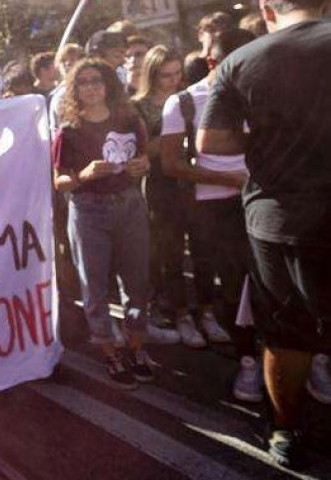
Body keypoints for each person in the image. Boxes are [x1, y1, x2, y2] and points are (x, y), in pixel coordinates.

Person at [198, 0, 331, 469]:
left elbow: (210, 144)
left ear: (270, 12)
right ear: (320, 3)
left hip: (280, 218)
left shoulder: (240, 61)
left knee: (286, 331)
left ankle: (284, 432)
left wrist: (265, 142)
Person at [160, 28, 260, 399]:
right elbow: (171, 165)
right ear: (216, 62)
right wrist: (227, 179)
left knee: (278, 283)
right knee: (233, 286)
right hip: (215, 207)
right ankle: (248, 361)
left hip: (261, 199)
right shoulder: (183, 102)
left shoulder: (259, 94)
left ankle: (308, 360)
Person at [53, 58, 153, 388]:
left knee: (137, 280)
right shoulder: (69, 131)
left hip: (130, 205)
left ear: (109, 84)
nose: (92, 87)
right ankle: (109, 350)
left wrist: (141, 166)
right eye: (83, 82)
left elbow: (144, 157)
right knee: (93, 286)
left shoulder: (129, 119)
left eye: (97, 80)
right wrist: (83, 175)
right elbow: (60, 182)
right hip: (89, 210)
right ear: (74, 90)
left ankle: (136, 346)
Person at [131, 46, 201, 347]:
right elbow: (137, 151)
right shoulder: (138, 106)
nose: (172, 81)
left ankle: (203, 310)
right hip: (159, 183)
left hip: (193, 179)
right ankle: (178, 311)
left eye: (177, 74)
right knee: (168, 251)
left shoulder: (187, 99)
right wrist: (172, 139)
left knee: (202, 249)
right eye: (165, 76)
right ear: (152, 74)